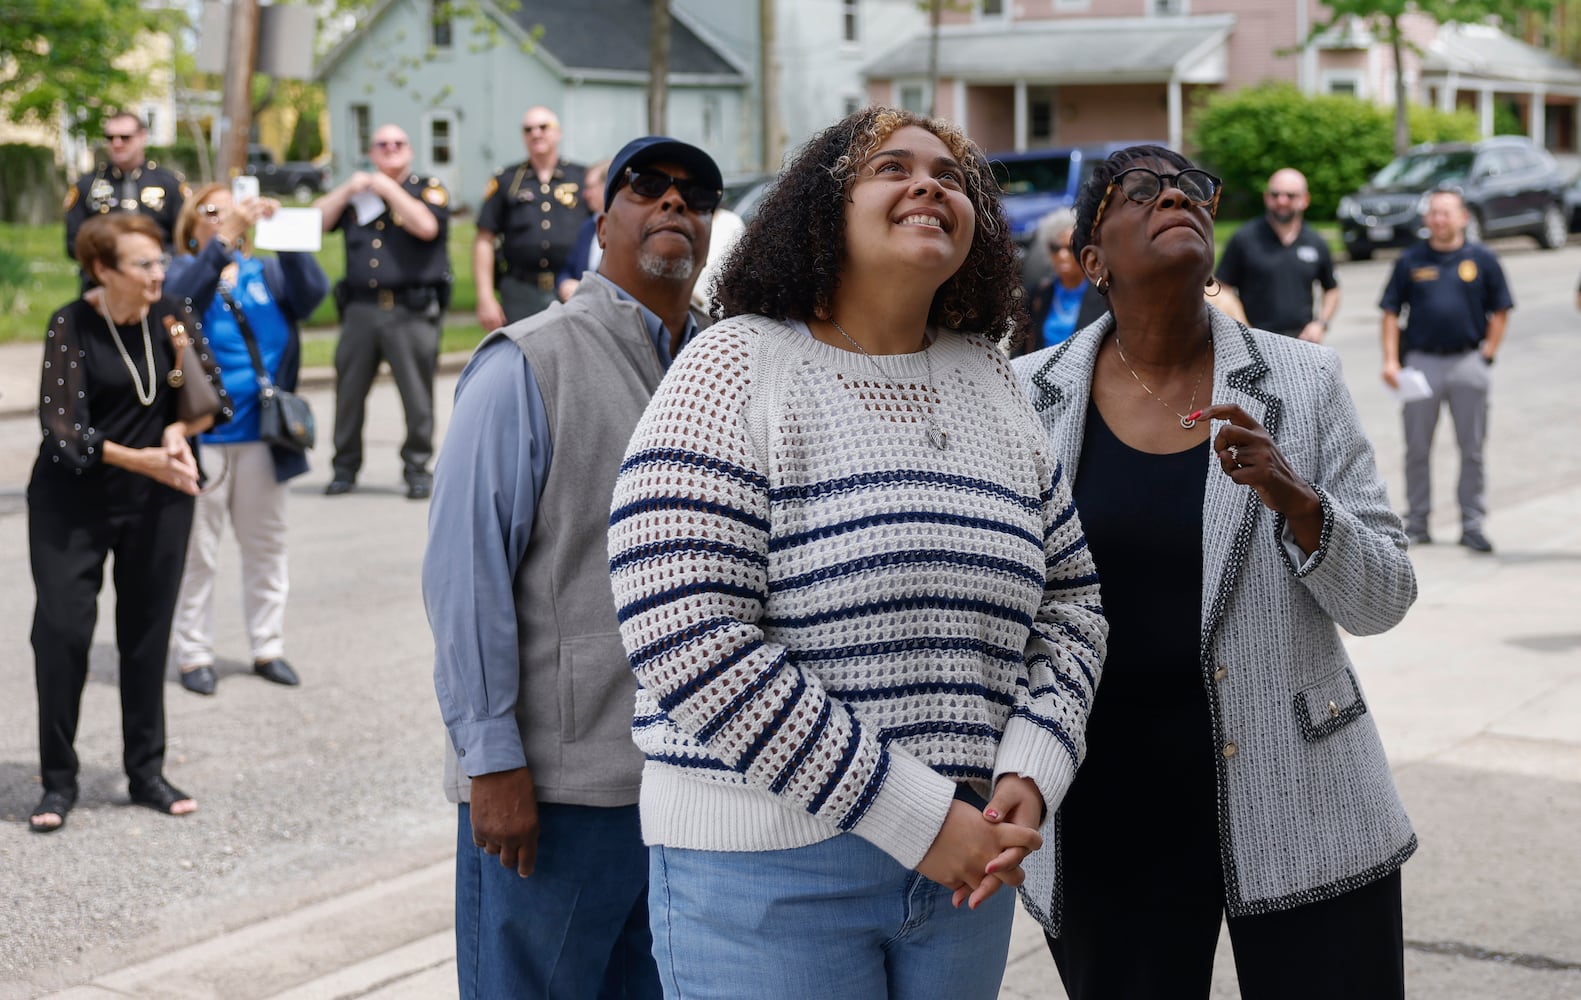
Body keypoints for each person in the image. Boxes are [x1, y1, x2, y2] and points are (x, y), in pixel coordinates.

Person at [606, 108, 1107, 999]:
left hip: (966, 867)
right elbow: (682, 626)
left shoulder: (989, 377)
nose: (929, 184)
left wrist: (1031, 764)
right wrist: (915, 817)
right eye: (891, 168)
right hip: (766, 870)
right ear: (822, 212)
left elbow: (1070, 603)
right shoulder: (735, 364)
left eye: (952, 176)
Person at [1011, 145, 1418, 999]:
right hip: (1107, 804)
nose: (1177, 199)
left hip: (1299, 787)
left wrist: (1297, 500)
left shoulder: (1301, 381)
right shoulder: (1023, 396)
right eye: (1142, 191)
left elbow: (1384, 596)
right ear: (1091, 260)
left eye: (1193, 187)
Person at [422, 134, 721, 999]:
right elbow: (464, 575)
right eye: (647, 187)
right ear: (602, 221)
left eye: (695, 194)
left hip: (691, 792)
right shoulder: (528, 361)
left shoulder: (722, 366)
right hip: (553, 797)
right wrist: (490, 760)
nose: (674, 203)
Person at [27, 213, 233, 833]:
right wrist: (137, 457)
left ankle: (145, 771)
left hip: (159, 499)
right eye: (142, 264)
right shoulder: (71, 323)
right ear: (102, 270)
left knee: (146, 636)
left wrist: (176, 429)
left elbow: (213, 398)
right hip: (74, 499)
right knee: (62, 633)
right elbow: (61, 429)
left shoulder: (172, 311)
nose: (158, 274)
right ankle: (58, 780)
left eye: (159, 261)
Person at [165, 183, 330, 696]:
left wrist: (288, 236)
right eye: (211, 213)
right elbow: (176, 302)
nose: (224, 219)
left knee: (266, 546)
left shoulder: (268, 272)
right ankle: (194, 654)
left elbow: (313, 296)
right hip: (204, 435)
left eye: (232, 212)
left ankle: (268, 646)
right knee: (199, 553)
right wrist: (219, 246)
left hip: (265, 434)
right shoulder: (179, 271)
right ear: (192, 225)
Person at [314, 124, 451, 499]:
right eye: (382, 144)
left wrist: (390, 190)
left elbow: (427, 227)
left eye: (398, 143)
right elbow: (314, 224)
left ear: (409, 150)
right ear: (372, 152)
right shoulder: (357, 195)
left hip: (410, 310)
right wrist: (346, 190)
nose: (390, 149)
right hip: (361, 309)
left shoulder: (426, 188)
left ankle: (417, 468)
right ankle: (344, 467)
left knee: (417, 396)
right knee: (349, 394)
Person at [1380, 188, 1510, 554]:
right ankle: (1418, 522)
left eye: (1446, 213)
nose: (1439, 220)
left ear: (1463, 217)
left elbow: (1501, 308)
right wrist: (1391, 360)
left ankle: (1473, 523)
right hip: (1422, 363)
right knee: (1417, 448)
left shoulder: (1482, 259)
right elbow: (1390, 312)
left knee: (1472, 449)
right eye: (1434, 213)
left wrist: (1488, 353)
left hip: (1469, 362)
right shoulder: (1410, 260)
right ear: (1427, 219)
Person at [474, 107, 588, 327]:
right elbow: (484, 239)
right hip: (520, 291)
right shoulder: (506, 180)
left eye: (544, 127)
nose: (536, 134)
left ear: (558, 132)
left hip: (572, 288)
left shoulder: (581, 177)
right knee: (522, 357)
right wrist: (485, 297)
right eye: (528, 129)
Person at [1215, 167, 1339, 342]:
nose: (1282, 201)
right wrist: (1242, 327)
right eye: (1275, 195)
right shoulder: (1244, 238)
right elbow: (1221, 289)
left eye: (1290, 195)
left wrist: (1320, 324)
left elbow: (1332, 289)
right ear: (1266, 198)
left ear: (1305, 200)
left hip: (1303, 343)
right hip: (1255, 343)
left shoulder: (1315, 242)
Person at [64, 111, 187, 260]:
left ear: (143, 136)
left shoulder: (168, 184)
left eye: (125, 138)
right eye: (110, 138)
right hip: (104, 276)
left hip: (160, 273)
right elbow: (73, 243)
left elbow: (184, 237)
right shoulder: (88, 185)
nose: (117, 143)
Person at [1023, 208, 1104, 355]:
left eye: (1070, 247)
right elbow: (1021, 348)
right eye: (1055, 248)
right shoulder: (1037, 294)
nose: (1062, 255)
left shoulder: (1103, 294)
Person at [553, 157, 611, 302]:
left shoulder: (628, 229)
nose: (585, 194)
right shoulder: (588, 227)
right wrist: (564, 284)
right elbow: (568, 268)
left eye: (590, 187)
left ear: (608, 185)